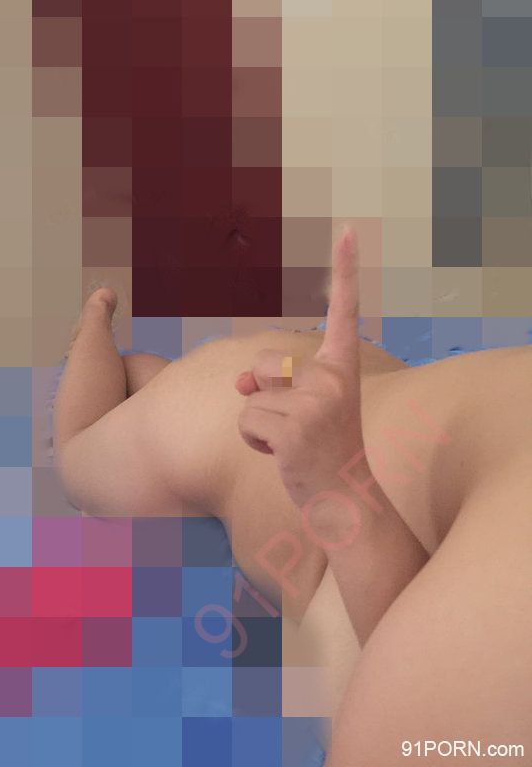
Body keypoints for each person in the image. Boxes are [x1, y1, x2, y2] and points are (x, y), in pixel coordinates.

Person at [53, 229, 532, 766]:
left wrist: (342, 493)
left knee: (165, 387)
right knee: (77, 458)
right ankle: (95, 320)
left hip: (336, 384)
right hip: (226, 412)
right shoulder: (487, 648)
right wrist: (340, 495)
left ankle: (152, 377)